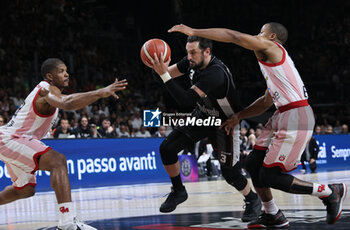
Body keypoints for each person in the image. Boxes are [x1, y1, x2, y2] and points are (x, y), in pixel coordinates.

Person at [168, 23, 347, 227]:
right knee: (253, 163)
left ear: (271, 37)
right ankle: (272, 213)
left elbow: (232, 35)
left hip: (296, 114)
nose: (256, 35)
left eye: (260, 32)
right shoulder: (276, 68)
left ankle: (331, 192)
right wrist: (239, 116)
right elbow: (265, 102)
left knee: (270, 175)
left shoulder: (271, 47)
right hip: (282, 113)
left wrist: (194, 32)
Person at [0, 58, 127, 230]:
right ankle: (67, 221)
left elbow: (65, 101)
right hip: (11, 139)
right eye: (61, 71)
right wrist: (100, 92)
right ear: (49, 76)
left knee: (25, 190)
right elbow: (67, 103)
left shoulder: (51, 93)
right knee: (57, 161)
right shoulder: (45, 90)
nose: (67, 74)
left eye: (66, 70)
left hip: (13, 140)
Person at [149, 36, 261, 222]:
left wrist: (163, 74)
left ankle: (252, 199)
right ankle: (178, 191)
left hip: (225, 122)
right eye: (187, 52)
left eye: (193, 52)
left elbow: (184, 100)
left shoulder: (215, 73)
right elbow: (164, 75)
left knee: (230, 173)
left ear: (207, 52)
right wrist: (156, 64)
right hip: (203, 115)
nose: (189, 56)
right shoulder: (191, 61)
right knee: (167, 148)